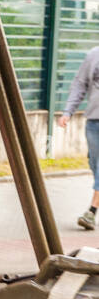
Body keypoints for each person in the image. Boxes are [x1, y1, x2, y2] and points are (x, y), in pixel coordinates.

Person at [57, 44, 99, 230]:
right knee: (94, 163)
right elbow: (80, 84)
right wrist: (68, 111)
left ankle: (91, 211)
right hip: (94, 121)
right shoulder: (93, 54)